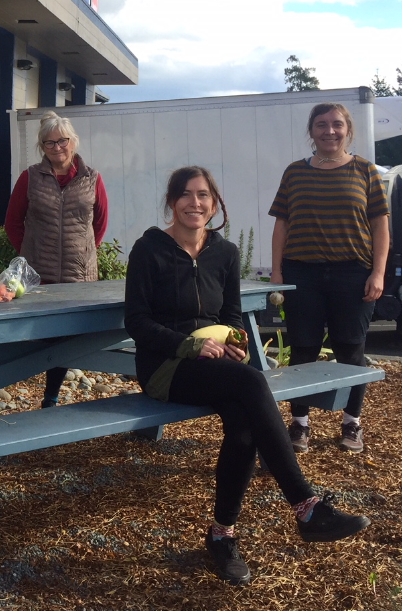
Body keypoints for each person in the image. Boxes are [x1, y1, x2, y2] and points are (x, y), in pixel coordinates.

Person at [125, 166, 371, 586]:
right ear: (171, 202)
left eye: (204, 195)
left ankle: (222, 536)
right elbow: (137, 322)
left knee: (243, 427)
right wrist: (189, 345)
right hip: (166, 367)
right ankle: (306, 506)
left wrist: (236, 340)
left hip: (217, 366)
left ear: (214, 202)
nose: (195, 203)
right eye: (186, 195)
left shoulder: (225, 252)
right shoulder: (149, 250)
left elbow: (231, 316)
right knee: (254, 382)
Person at [269, 103, 389, 454]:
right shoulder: (294, 173)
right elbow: (282, 224)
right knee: (302, 349)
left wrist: (378, 272)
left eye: (337, 124)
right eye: (321, 125)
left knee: (351, 349)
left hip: (352, 274)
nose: (330, 131)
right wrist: (277, 272)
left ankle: (352, 423)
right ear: (312, 131)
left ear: (348, 130)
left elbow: (380, 226)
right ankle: (300, 424)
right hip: (301, 272)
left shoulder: (365, 171)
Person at [5, 110, 108, 408]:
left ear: (73, 142)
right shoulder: (30, 178)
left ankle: (50, 397)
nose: (57, 148)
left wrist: (85, 252)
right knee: (40, 339)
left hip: (78, 277)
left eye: (62, 141)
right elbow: (13, 223)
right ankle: (16, 385)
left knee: (68, 340)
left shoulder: (92, 179)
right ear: (42, 147)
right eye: (49, 143)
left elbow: (98, 224)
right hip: (40, 275)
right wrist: (29, 254)